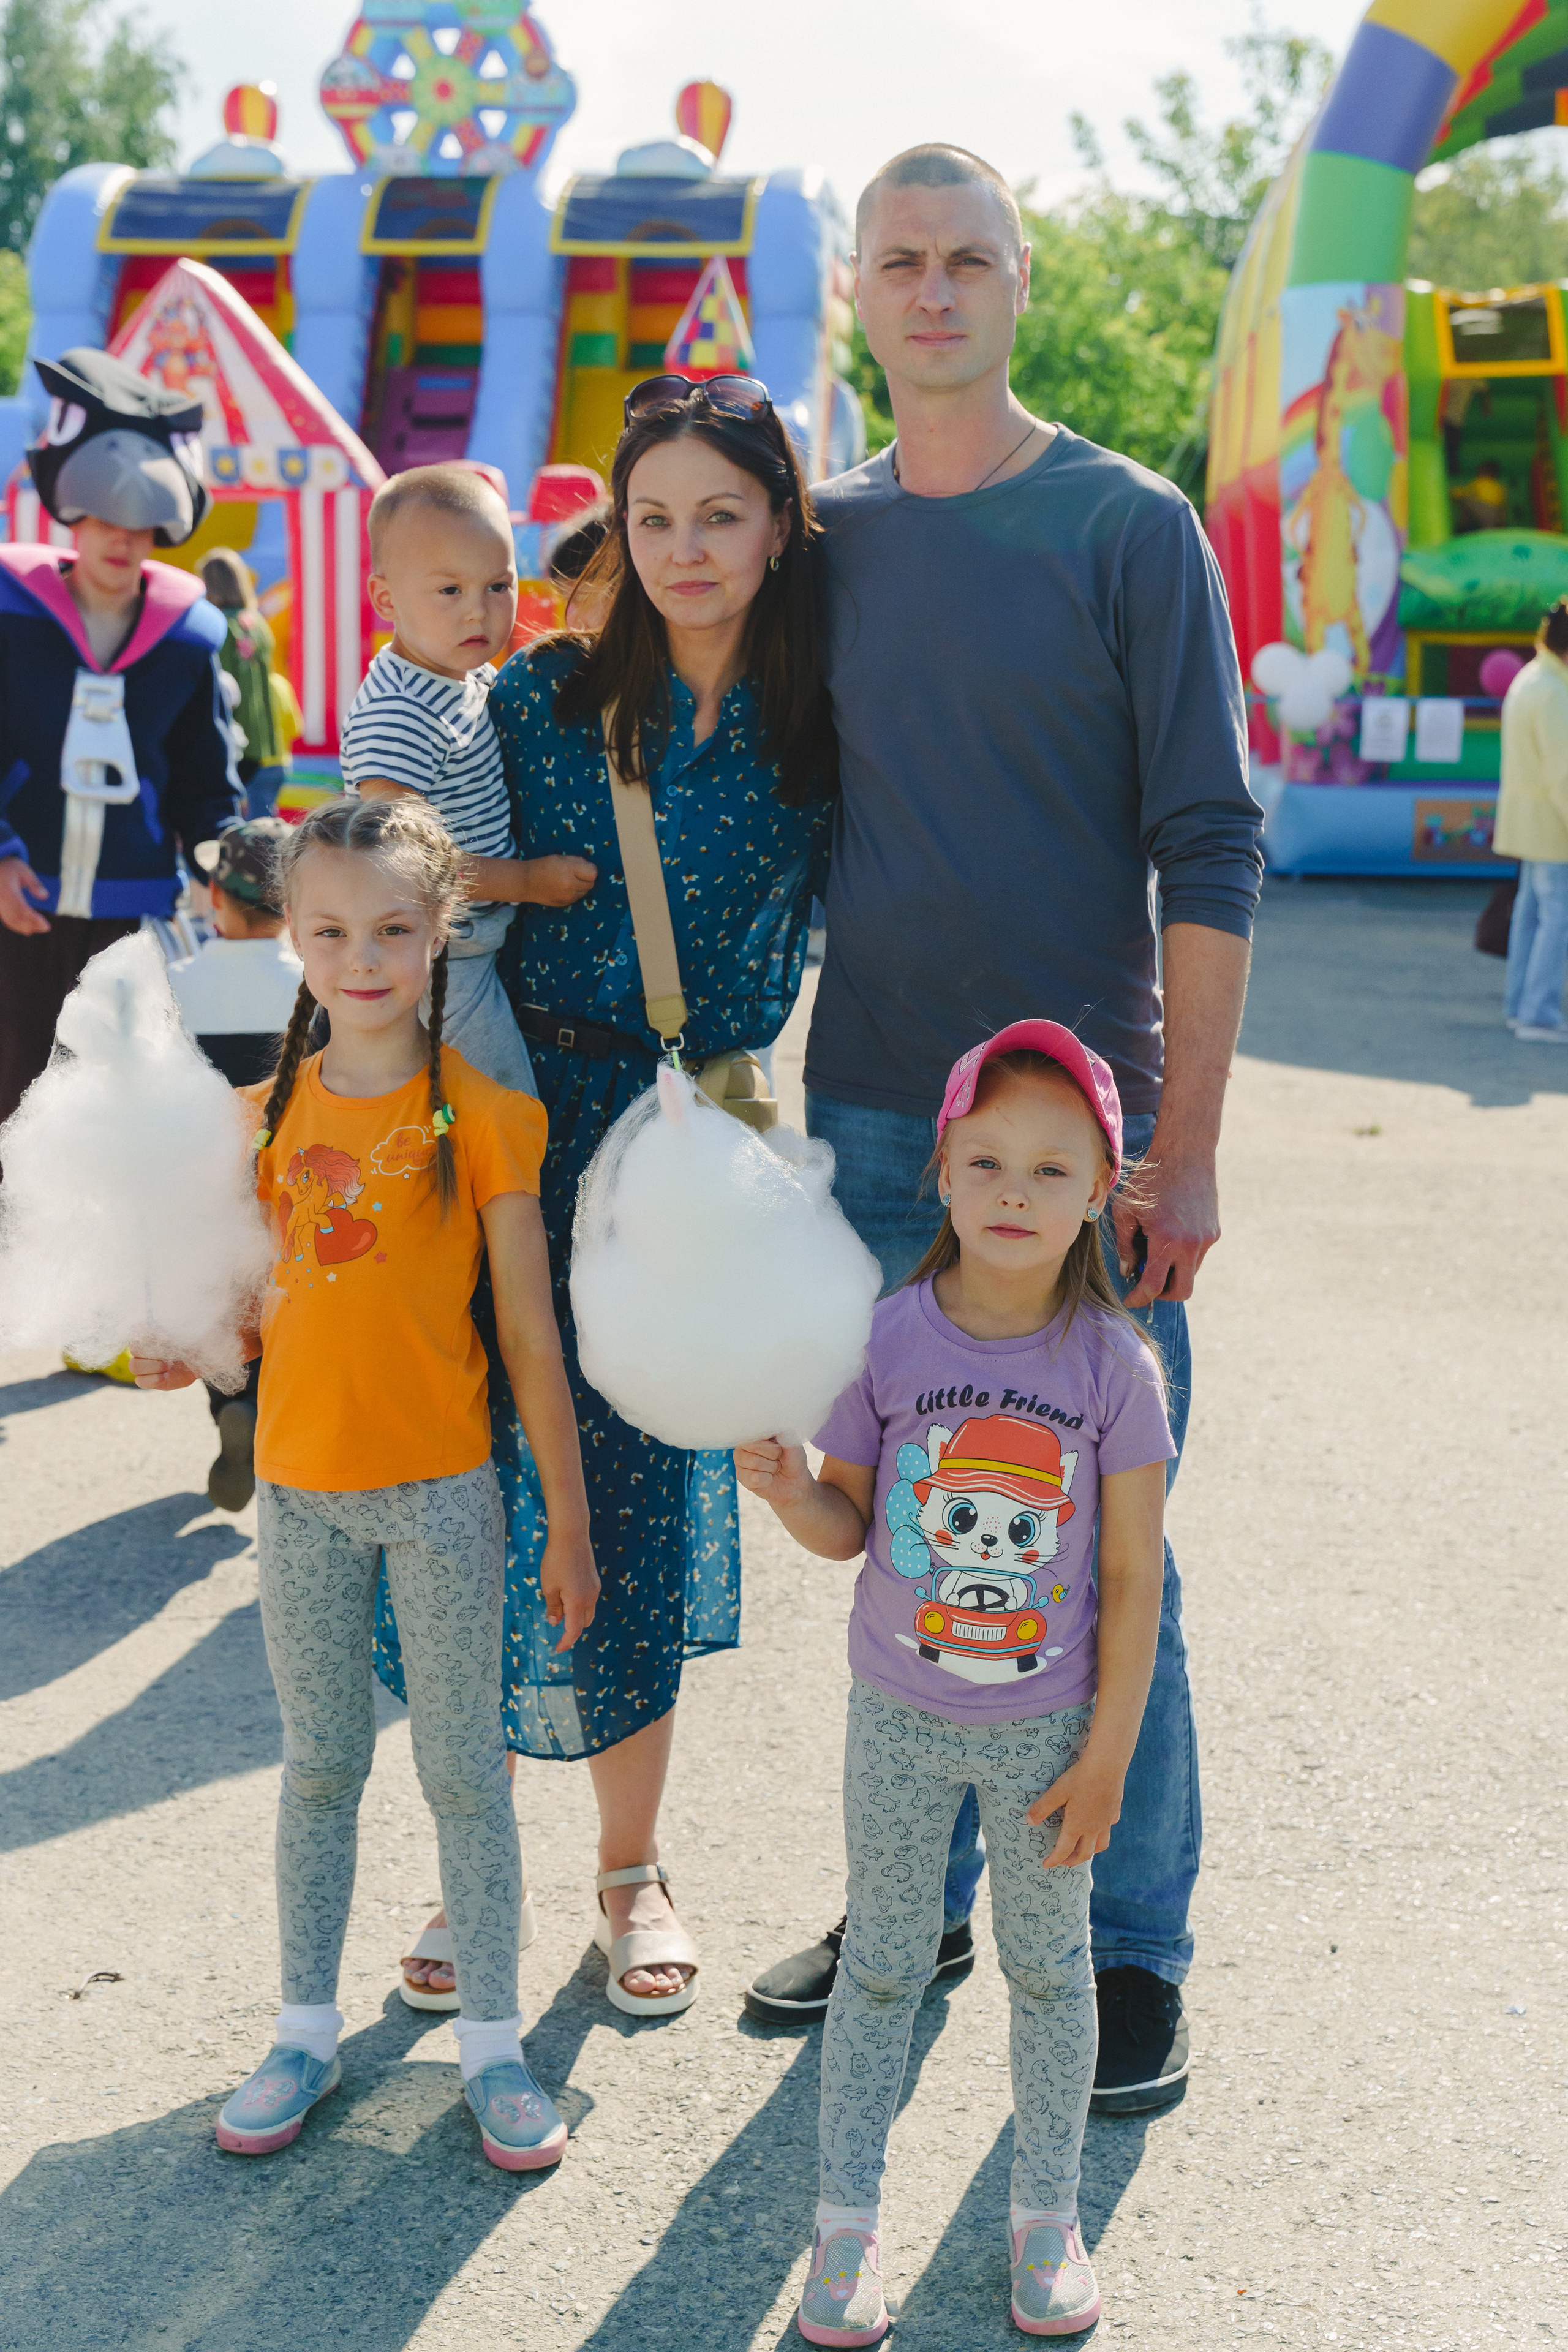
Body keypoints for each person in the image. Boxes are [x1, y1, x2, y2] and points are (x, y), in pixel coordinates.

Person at [745, 145, 1262, 2123]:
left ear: (1018, 281)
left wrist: (1183, 1152)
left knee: (1108, 1555)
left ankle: (1132, 1952)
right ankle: (920, 1907)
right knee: (901, 1545)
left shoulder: (1125, 529)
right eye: (901, 262)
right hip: (879, 1118)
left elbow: (1208, 844)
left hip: (1080, 1157)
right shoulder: (829, 541)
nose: (934, 290)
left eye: (969, 258)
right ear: (860, 297)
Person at [380, 376, 835, 2015]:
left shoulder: (821, 718)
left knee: (635, 1501)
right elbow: (396, 860)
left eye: (722, 513)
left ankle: (630, 1871)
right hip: (508, 1119)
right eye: (654, 518)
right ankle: (463, 1867)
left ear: (782, 525)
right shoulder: (540, 699)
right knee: (481, 1505)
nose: (686, 548)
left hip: (685, 1148)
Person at [131, 793, 599, 2168]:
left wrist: (566, 1525)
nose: (365, 957)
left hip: (444, 1494)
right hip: (299, 1496)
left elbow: (526, 1337)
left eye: (394, 928)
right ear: (291, 939)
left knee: (466, 1778)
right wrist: (184, 1345)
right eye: (331, 930)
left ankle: (496, 2048)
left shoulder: (487, 1118)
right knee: (320, 1768)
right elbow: (248, 1314)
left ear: (439, 928)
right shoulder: (255, 1118)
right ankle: (302, 2032)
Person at [737, 1025, 1172, 2343]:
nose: (1012, 1193)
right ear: (937, 1174)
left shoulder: (1114, 1370)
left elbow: (1135, 1587)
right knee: (880, 1965)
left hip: (1047, 1737)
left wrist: (1104, 1758)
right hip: (897, 1717)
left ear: (1102, 1189)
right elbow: (848, 1530)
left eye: (1051, 1170)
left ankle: (1047, 2217)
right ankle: (843, 2228)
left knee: (1048, 1977)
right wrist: (786, 1491)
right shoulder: (888, 1340)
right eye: (984, 1161)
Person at [0, 347, 241, 1128]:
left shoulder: (189, 641)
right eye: (106, 514)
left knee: (104, 1119)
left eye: (143, 522)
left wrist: (226, 864)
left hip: (127, 922)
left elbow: (208, 784)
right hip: (12, 905)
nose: (123, 538)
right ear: (71, 509)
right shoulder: (10, 616)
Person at [342, 462, 596, 1097]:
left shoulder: (466, 676)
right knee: (500, 1108)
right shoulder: (399, 712)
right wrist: (529, 882)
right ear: (386, 600)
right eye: (449, 591)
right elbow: (404, 866)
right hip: (438, 967)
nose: (478, 612)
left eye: (498, 586)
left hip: (476, 948)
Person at [164, 818, 302, 1511]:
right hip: (287, 1175)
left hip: (205, 1178)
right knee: (283, 1303)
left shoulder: (178, 984)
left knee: (223, 1313)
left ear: (215, 898)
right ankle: (278, 1427)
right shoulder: (311, 986)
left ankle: (229, 1411)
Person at [1497, 597, 1568, 1042]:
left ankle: (1520, 1005)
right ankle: (1538, 1013)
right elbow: (1563, 772)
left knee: (1532, 916)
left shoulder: (1531, 678)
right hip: (1551, 824)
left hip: (1527, 820)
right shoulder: (1554, 692)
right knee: (1554, 918)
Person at [199, 548, 290, 818]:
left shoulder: (218, 625)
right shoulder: (257, 623)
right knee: (261, 824)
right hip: (263, 736)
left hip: (233, 740)